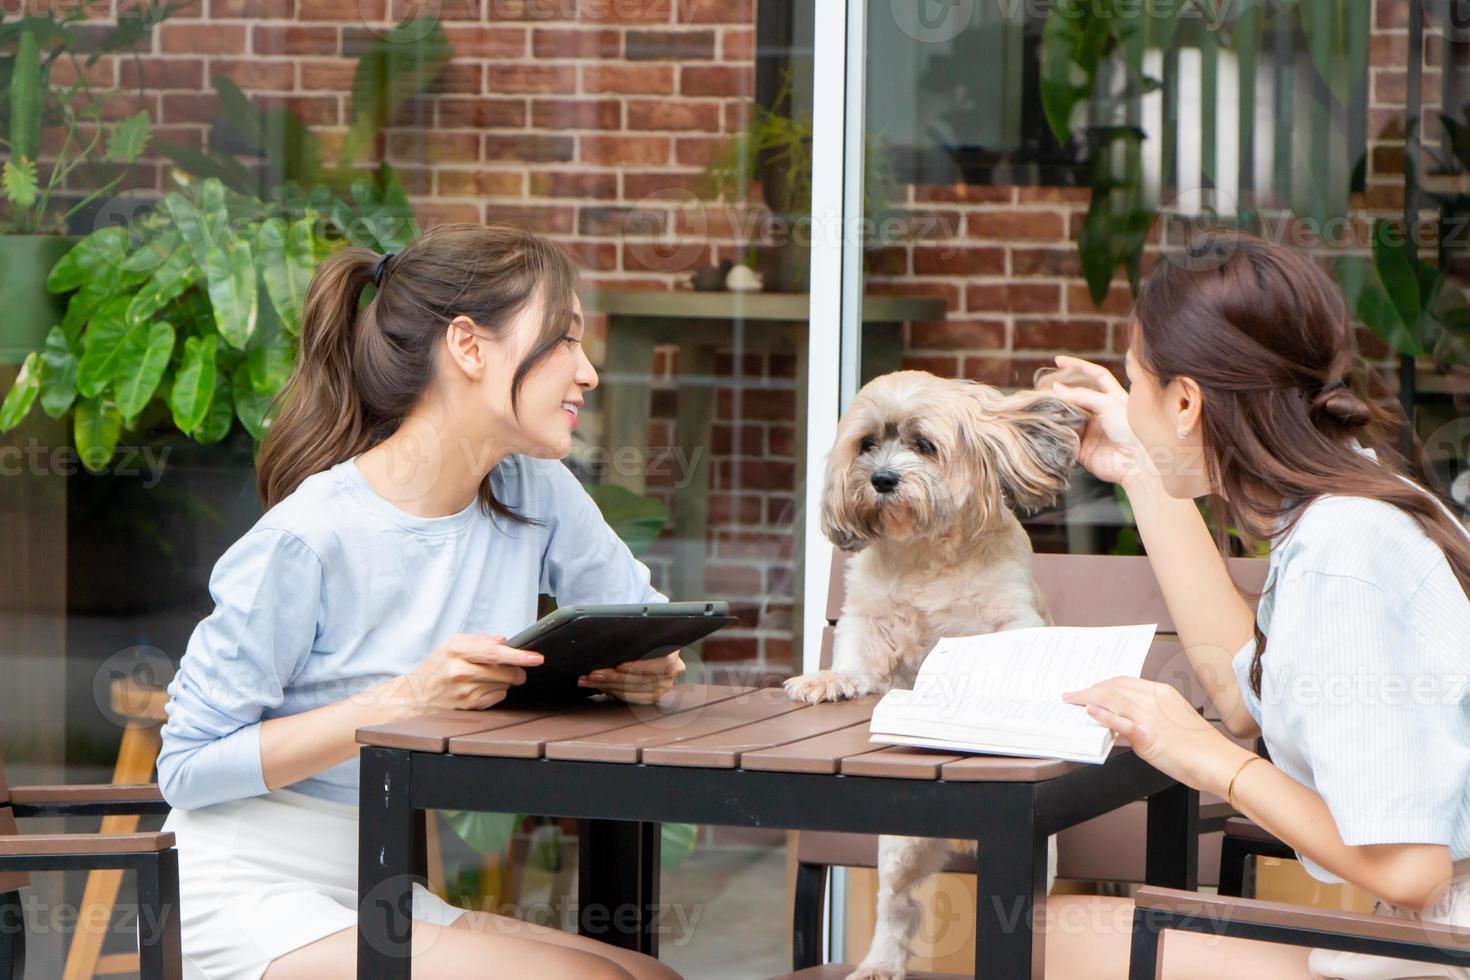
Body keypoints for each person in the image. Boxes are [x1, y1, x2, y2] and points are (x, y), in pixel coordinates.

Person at [155, 223, 685, 980]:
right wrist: (404, 700)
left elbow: (641, 622)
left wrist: (644, 666)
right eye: (564, 341)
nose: (588, 373)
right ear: (469, 348)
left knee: (651, 976)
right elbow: (187, 766)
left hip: (377, 885)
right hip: (247, 893)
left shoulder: (530, 489)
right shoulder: (312, 535)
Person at [1037, 234, 1470, 979]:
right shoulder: (1348, 506)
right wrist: (1143, 464)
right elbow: (1245, 696)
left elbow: (1410, 870)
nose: (1128, 405)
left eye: (1137, 385)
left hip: (1430, 951)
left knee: (1038, 934)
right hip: (1420, 940)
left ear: (1183, 402)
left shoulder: (1341, 554)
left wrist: (1204, 757)